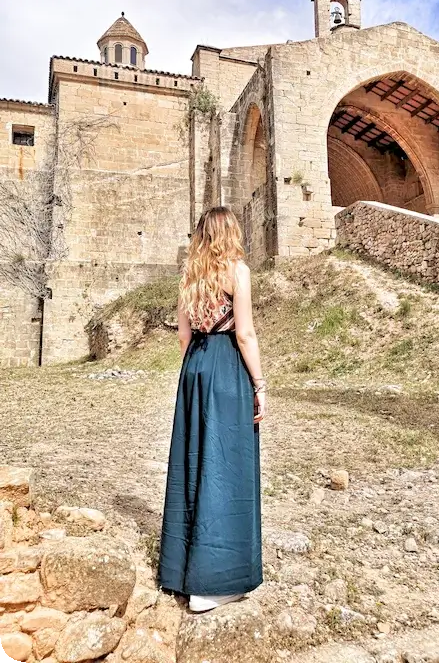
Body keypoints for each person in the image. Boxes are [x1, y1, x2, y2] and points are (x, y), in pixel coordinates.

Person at [157, 206, 265, 612]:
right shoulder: (237, 272)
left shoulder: (190, 277)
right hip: (226, 371)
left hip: (195, 368)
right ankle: (217, 582)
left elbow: (184, 337)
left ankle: (185, 573)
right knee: (226, 467)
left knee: (193, 461)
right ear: (231, 233)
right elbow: (245, 332)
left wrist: (194, 375)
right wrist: (259, 384)